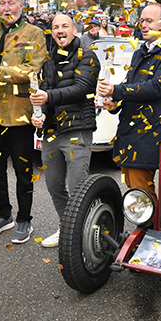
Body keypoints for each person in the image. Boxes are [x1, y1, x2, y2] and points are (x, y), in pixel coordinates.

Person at [0, 0, 47, 244]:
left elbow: (32, 68)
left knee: (22, 170)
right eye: (2, 3)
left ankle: (24, 219)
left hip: (19, 114)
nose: (6, 8)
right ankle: (2, 214)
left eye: (11, 3)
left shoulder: (35, 33)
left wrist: (0, 74)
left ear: (21, 5)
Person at [96, 3, 161, 197]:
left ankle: (148, 226)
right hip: (130, 131)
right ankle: (144, 224)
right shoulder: (140, 52)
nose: (143, 25)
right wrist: (115, 103)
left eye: (149, 21)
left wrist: (117, 90)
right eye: (141, 21)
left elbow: (157, 87)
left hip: (150, 132)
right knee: (133, 188)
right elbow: (131, 84)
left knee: (141, 194)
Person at [30, 14, 100, 248]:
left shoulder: (87, 56)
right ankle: (67, 227)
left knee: (79, 189)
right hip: (52, 132)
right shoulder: (49, 60)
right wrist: (39, 115)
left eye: (65, 26)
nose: (60, 30)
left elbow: (81, 89)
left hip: (77, 131)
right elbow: (46, 92)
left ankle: (82, 235)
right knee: (53, 184)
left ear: (74, 30)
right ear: (52, 32)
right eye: (56, 27)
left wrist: (48, 96)